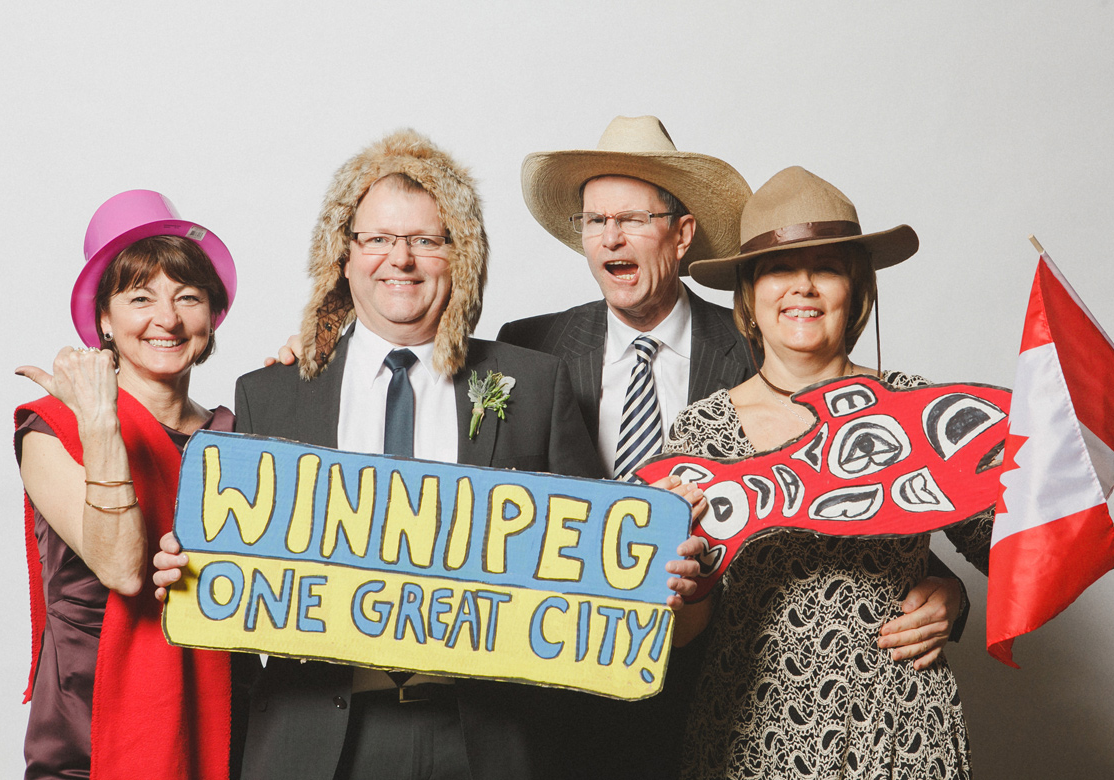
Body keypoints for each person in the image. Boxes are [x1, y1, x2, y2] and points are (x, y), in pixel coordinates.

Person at [497, 116, 969, 779]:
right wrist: (318, 350)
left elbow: (873, 511)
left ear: (683, 232)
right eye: (595, 220)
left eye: (631, 218)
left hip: (718, 695)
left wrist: (947, 593)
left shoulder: (767, 346)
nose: (610, 236)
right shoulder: (525, 348)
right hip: (570, 699)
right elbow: (477, 494)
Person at [154, 130, 623, 780]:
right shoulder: (272, 395)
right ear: (343, 257)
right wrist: (192, 570)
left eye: (426, 241)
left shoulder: (533, 385)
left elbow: (591, 568)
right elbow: (242, 573)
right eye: (377, 239)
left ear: (459, 257)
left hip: (484, 738)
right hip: (317, 740)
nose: (399, 260)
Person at [668, 166, 992, 779]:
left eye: (828, 267)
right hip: (750, 740)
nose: (804, 287)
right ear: (749, 291)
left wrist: (955, 599)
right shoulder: (700, 435)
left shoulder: (917, 411)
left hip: (899, 737)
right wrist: (682, 581)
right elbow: (684, 633)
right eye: (780, 268)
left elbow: (1015, 551)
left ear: (857, 288)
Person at [13, 190, 239, 780]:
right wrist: (101, 420)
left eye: (187, 297)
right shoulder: (52, 428)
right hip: (88, 739)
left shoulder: (239, 436)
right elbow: (122, 568)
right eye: (140, 298)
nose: (165, 319)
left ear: (211, 316)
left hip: (222, 727)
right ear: (105, 320)